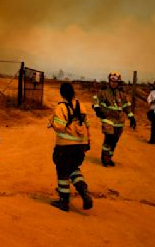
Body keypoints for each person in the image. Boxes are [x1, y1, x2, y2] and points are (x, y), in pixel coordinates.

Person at [48, 82, 93, 212]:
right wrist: (88, 141)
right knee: (73, 168)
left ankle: (64, 201)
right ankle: (83, 191)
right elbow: (88, 124)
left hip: (65, 146)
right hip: (80, 145)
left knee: (62, 171)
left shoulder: (60, 108)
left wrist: (52, 122)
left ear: (62, 93)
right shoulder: (81, 105)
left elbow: (60, 127)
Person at [93, 71, 136, 167]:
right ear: (109, 81)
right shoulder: (103, 91)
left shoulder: (121, 94)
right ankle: (104, 158)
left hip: (119, 121)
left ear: (118, 82)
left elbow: (126, 106)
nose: (113, 83)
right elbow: (96, 100)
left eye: (116, 81)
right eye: (112, 81)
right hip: (107, 118)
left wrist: (131, 116)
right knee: (109, 138)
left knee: (114, 141)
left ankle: (109, 157)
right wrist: (97, 109)